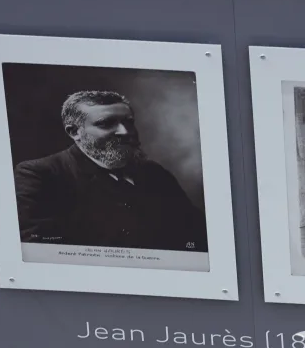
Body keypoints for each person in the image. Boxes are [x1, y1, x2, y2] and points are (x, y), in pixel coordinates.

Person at [13, 90, 207, 252]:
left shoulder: (154, 174)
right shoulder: (39, 175)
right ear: (74, 132)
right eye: (106, 123)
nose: (125, 131)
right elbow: (38, 248)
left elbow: (196, 234)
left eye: (128, 122)